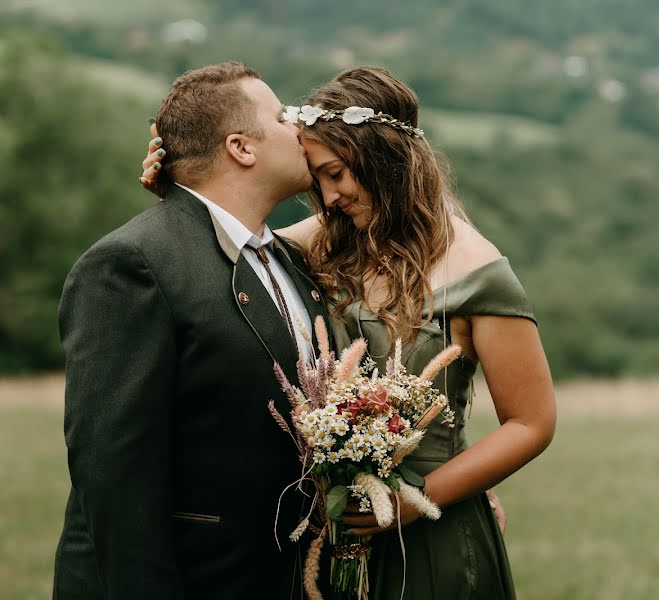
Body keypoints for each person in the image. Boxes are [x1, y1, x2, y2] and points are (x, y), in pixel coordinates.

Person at [141, 66, 556, 599]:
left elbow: (532, 422)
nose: (330, 196)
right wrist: (181, 198)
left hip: (432, 531)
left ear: (385, 159)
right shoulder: (318, 244)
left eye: (338, 173)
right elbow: (228, 245)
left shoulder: (478, 271)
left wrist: (419, 496)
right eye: (320, 179)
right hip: (328, 535)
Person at [53, 61, 331, 599]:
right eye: (280, 117)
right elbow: (114, 475)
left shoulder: (290, 262)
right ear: (241, 148)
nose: (299, 129)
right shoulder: (131, 264)